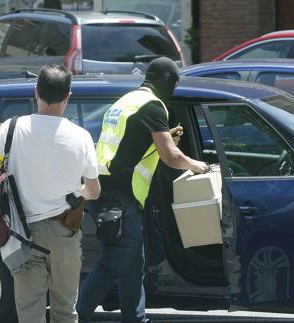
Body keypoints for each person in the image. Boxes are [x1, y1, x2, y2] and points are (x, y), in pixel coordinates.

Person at [76, 57, 209, 323]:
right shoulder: (153, 106)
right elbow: (171, 157)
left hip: (105, 192)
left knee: (132, 266)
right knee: (113, 264)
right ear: (168, 81)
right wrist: (197, 165)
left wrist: (162, 137)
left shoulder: (126, 101)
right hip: (120, 198)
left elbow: (129, 145)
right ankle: (71, 316)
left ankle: (135, 319)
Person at [0, 64, 101, 323]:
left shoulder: (10, 129)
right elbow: (94, 191)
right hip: (65, 232)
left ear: (36, 92)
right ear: (68, 97)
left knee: (30, 312)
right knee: (65, 311)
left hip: (23, 234)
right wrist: (77, 191)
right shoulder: (82, 137)